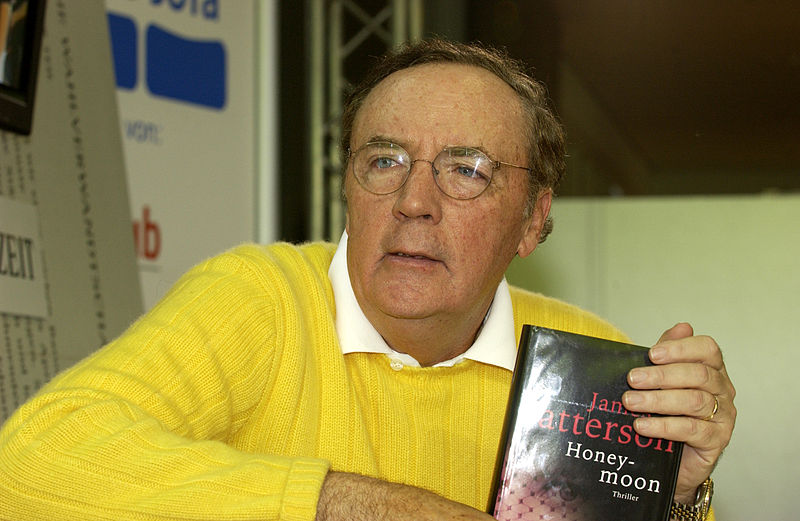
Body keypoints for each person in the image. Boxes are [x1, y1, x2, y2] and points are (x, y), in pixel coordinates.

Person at [0, 38, 735, 521]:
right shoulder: (262, 299)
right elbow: (28, 465)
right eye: (384, 161)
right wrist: (358, 505)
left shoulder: (587, 362)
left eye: (466, 170)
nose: (414, 201)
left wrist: (672, 493)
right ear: (348, 188)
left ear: (532, 219)